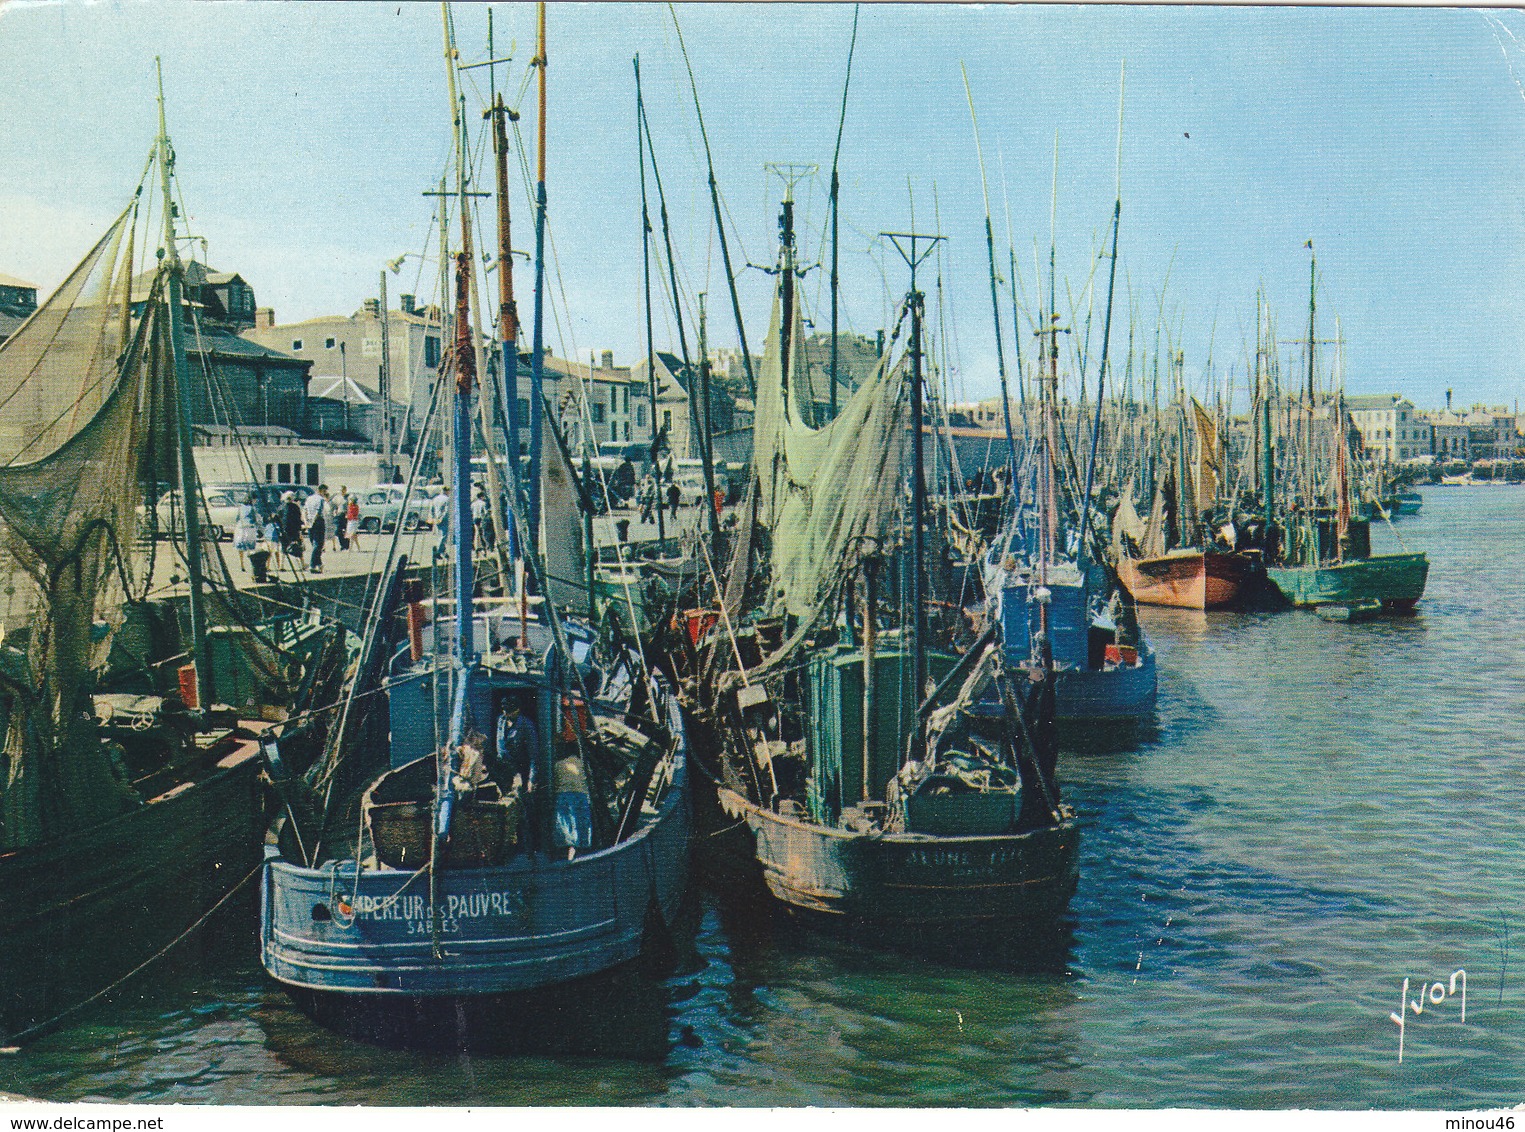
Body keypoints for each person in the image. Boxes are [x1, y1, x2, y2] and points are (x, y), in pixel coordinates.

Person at [303, 484, 329, 573]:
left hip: (309, 521)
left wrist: (306, 522)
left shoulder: (309, 498)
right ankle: (312, 565)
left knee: (313, 543)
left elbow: (305, 510)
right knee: (318, 544)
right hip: (318, 522)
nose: (325, 493)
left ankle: (319, 564)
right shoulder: (320, 499)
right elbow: (318, 512)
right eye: (325, 491)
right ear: (321, 490)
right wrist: (313, 522)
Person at [232, 493, 259, 571]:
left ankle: (242, 564)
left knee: (240, 547)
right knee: (250, 547)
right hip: (249, 528)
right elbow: (255, 519)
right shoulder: (252, 508)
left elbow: (237, 518)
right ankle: (251, 565)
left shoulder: (240, 507)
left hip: (240, 528)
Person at [280, 491, 303, 560]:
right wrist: (300, 530)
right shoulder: (295, 507)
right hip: (294, 529)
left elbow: (279, 517)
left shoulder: (281, 507)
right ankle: (302, 564)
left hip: (284, 529)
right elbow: (298, 519)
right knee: (297, 546)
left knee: (284, 547)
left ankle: (281, 565)